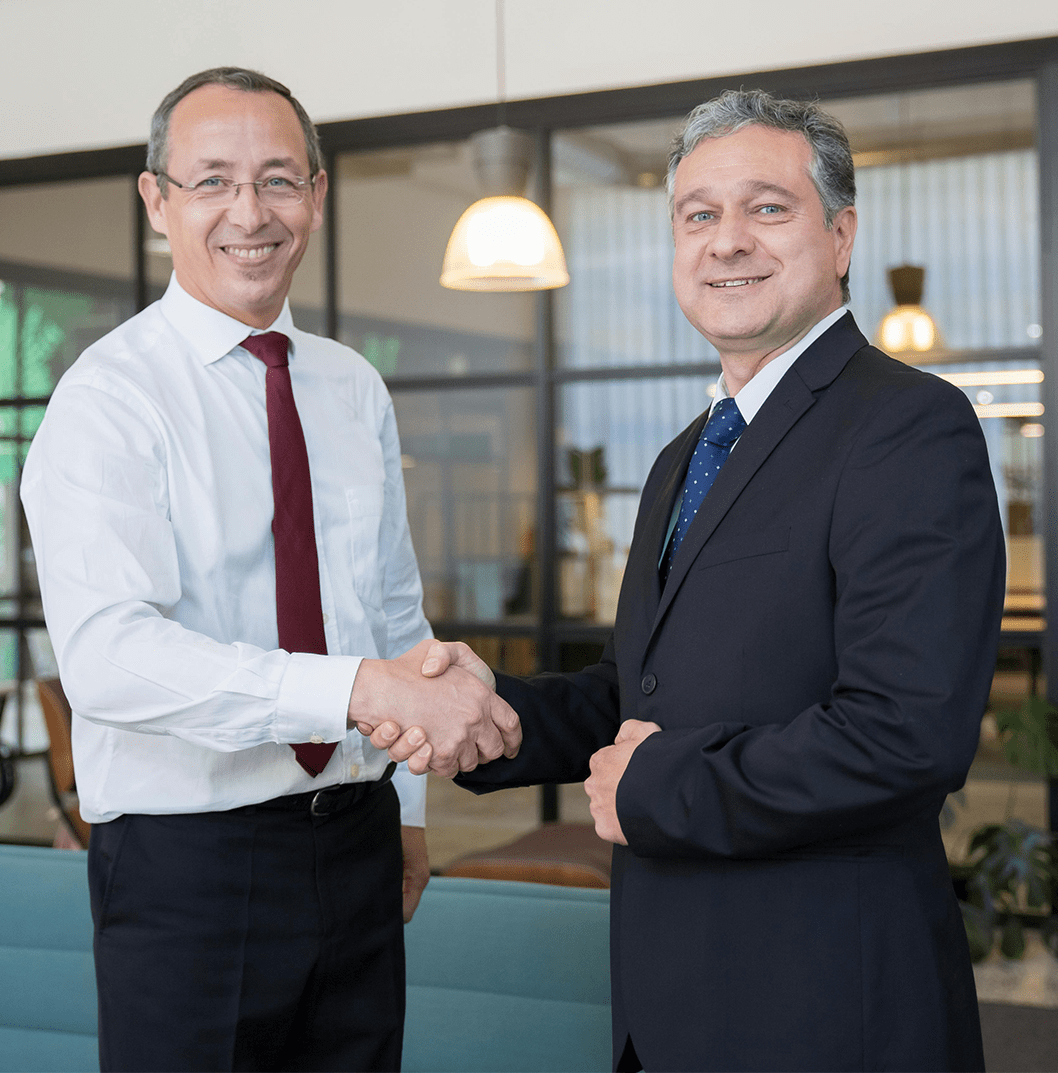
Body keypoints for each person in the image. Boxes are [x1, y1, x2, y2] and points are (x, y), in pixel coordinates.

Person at [383, 90, 1006, 1072]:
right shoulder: (685, 456)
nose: (727, 242)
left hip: (822, 1007)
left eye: (767, 208)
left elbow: (906, 734)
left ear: (840, 236)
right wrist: (483, 714)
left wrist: (658, 785)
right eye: (698, 215)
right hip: (669, 1003)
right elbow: (640, 694)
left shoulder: (907, 428)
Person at [21, 66, 518, 1073]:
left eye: (279, 179)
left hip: (357, 842)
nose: (250, 212)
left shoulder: (349, 385)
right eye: (212, 181)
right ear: (157, 201)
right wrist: (353, 691)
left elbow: (390, 613)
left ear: (318, 198)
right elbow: (111, 658)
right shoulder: (108, 399)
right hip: (188, 870)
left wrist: (407, 810)